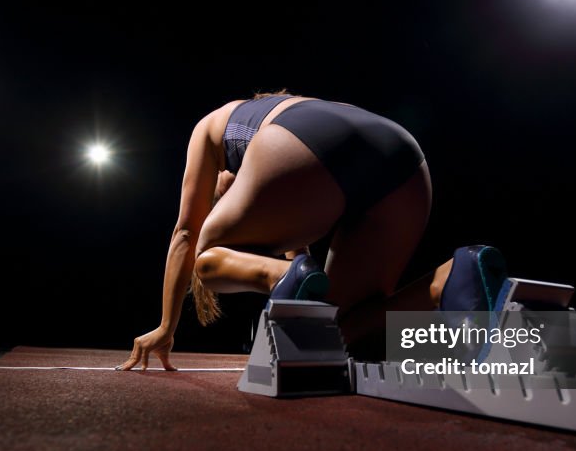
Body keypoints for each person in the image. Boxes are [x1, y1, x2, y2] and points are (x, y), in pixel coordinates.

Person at [118, 92, 504, 371]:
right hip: (401, 153)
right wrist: (300, 278)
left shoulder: (213, 125)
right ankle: (449, 278)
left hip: (297, 138)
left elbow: (185, 231)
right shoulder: (291, 115)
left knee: (206, 259)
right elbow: (300, 254)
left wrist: (167, 327)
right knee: (343, 329)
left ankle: (281, 280)